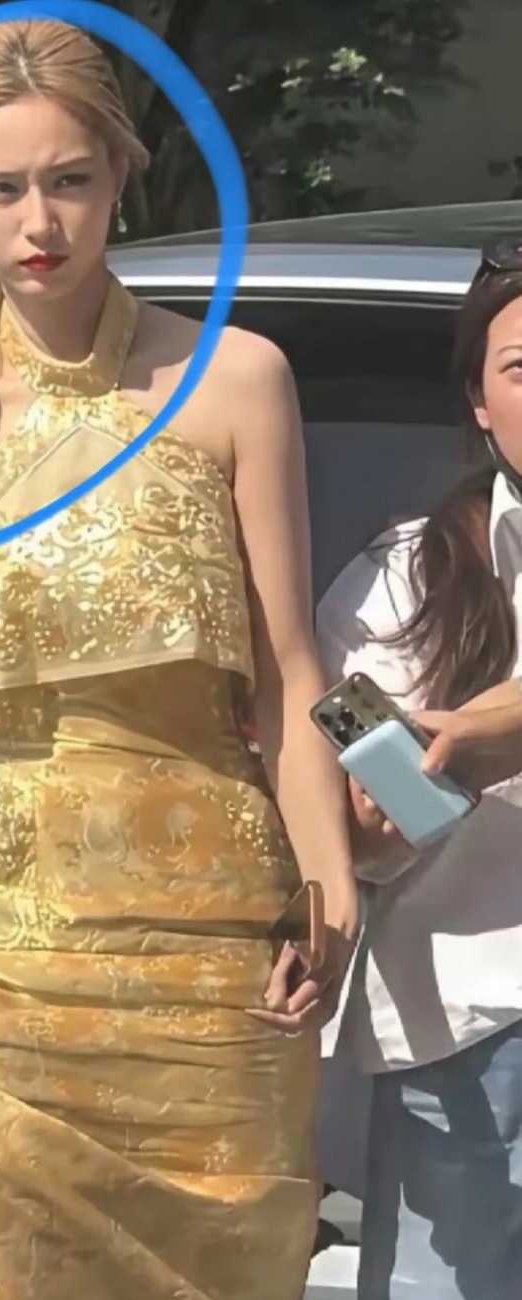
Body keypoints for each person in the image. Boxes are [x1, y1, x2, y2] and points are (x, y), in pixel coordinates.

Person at [0, 19, 358, 1300]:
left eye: (69, 180)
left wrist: (327, 886)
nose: (40, 222)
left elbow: (291, 672)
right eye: (2, 188)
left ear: (120, 175)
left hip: (211, 953)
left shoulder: (236, 380)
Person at [316, 234, 522, 1298]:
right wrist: (400, 810)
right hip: (477, 1030)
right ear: (479, 402)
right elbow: (360, 830)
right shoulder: (399, 583)